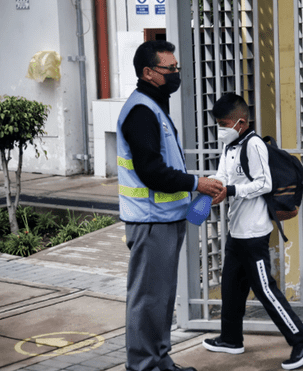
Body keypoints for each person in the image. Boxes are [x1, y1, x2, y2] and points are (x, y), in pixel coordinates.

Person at [116, 40, 223, 371]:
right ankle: (145, 366)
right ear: (148, 73)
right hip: (150, 222)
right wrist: (196, 183)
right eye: (170, 69)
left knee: (159, 301)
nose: (176, 74)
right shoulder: (141, 112)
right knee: (147, 300)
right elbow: (151, 171)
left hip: (164, 220)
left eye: (177, 68)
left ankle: (160, 362)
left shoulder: (154, 107)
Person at [201, 93, 303, 370]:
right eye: (217, 123)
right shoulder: (230, 147)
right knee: (231, 287)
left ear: (241, 122)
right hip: (237, 231)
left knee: (265, 290)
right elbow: (223, 175)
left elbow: (264, 184)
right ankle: (231, 339)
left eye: (224, 123)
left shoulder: (253, 145)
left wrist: (231, 190)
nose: (220, 129)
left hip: (254, 233)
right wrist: (215, 186)